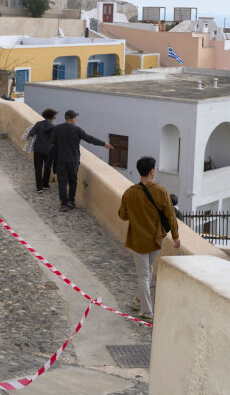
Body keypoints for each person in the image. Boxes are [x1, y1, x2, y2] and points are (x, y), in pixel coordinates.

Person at [118, 156, 180, 323]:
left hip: (138, 240)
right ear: (152, 171)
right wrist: (175, 236)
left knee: (144, 275)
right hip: (156, 239)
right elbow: (171, 215)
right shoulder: (161, 191)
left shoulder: (130, 192)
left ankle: (147, 311)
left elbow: (122, 215)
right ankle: (138, 302)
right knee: (147, 272)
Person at [51, 110, 113, 212]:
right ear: (71, 119)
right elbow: (90, 139)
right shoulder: (77, 130)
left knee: (62, 182)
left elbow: (51, 142)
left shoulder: (57, 128)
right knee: (73, 181)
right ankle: (71, 201)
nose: (76, 120)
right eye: (75, 118)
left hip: (61, 160)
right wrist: (104, 144)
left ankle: (63, 204)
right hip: (73, 160)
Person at [28, 109, 57, 193]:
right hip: (48, 151)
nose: (54, 119)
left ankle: (39, 187)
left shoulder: (38, 124)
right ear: (51, 118)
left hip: (38, 150)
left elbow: (31, 133)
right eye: (54, 117)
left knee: (38, 169)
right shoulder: (53, 127)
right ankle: (45, 184)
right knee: (47, 168)